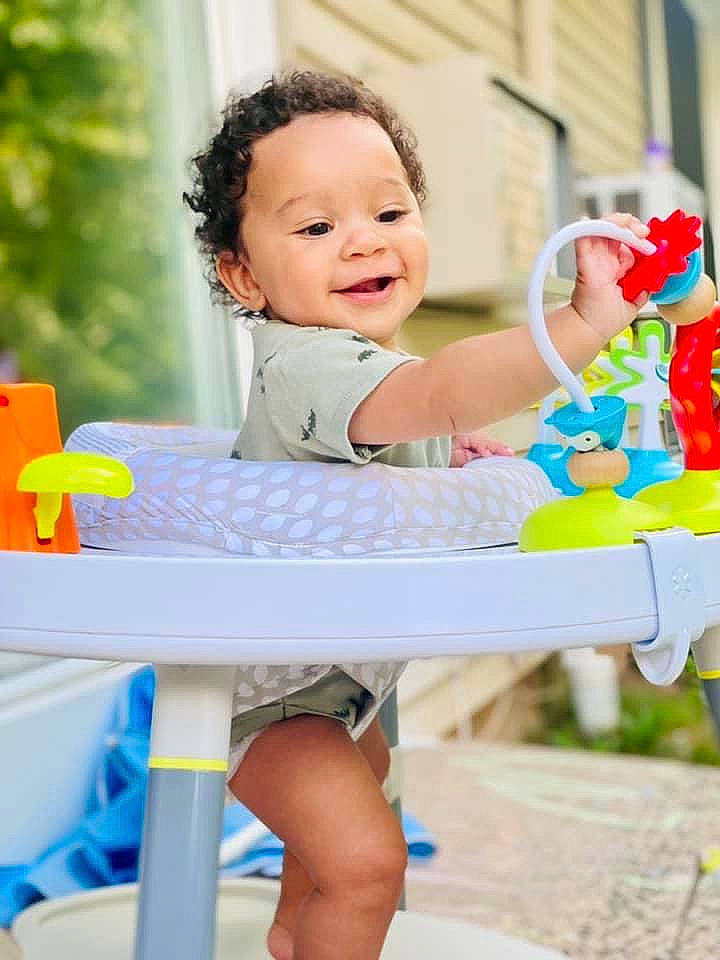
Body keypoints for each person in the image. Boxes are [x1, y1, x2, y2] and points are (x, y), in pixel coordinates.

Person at [184, 70, 650, 960]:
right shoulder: (307, 366)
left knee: (336, 859)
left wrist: (459, 444)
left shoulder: (369, 364)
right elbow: (433, 392)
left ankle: (293, 939)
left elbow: (417, 417)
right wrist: (584, 321)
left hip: (332, 682)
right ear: (243, 274)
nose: (363, 243)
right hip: (269, 697)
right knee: (368, 865)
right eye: (318, 227)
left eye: (389, 215)